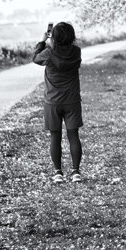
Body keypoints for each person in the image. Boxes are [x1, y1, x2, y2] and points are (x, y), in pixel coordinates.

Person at [33, 21, 84, 182]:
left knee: (55, 137)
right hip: (72, 101)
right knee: (73, 136)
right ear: (72, 36)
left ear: (53, 37)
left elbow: (35, 58)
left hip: (52, 102)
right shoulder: (76, 51)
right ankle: (75, 172)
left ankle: (58, 173)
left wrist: (42, 42)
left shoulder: (48, 53)